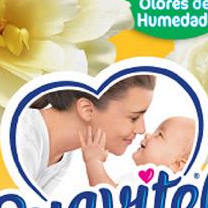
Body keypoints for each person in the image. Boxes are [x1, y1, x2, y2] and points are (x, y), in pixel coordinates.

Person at [15, 75, 156, 193]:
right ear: (87, 109)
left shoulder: (63, 155)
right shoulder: (22, 137)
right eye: (134, 118)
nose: (142, 129)